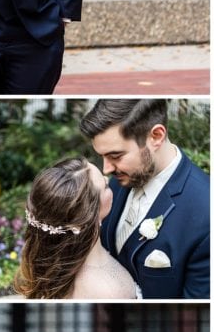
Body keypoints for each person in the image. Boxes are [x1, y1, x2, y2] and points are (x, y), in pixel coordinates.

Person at [80, 99, 210, 298]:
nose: (106, 169)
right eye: (102, 156)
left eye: (116, 155)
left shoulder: (206, 211)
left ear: (156, 136)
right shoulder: (116, 181)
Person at [14, 157, 138, 299]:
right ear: (88, 215)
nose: (107, 179)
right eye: (105, 186)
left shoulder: (51, 269)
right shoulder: (109, 291)